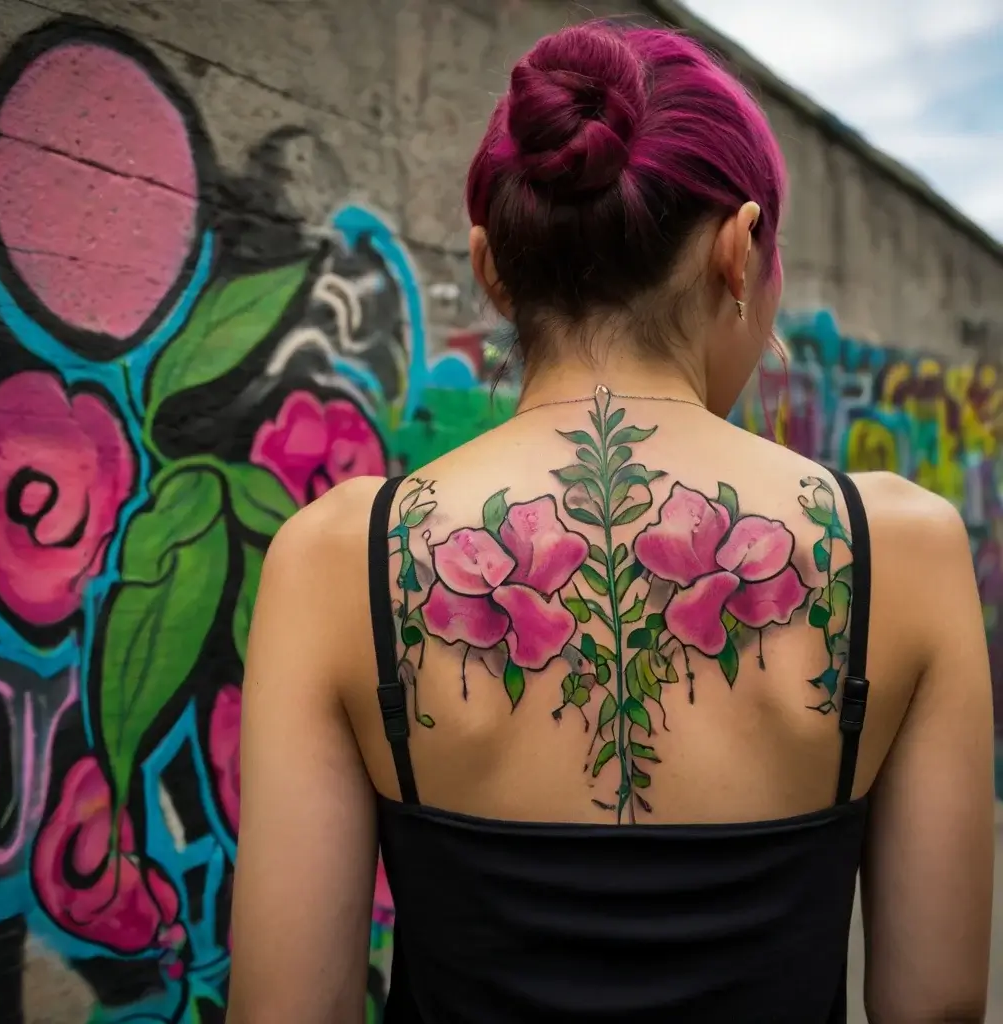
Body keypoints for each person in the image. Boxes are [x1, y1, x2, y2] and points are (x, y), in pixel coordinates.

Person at [225, 22, 996, 1024]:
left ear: (490, 267)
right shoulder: (900, 546)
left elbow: (287, 1009)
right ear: (737, 248)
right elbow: (933, 1004)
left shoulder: (342, 559)